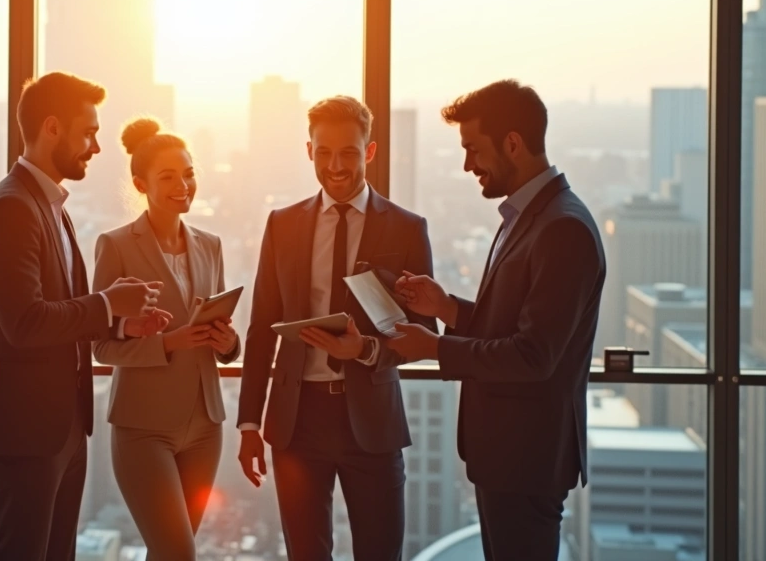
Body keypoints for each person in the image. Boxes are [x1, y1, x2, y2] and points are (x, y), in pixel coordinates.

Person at [388, 80, 605, 561]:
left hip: (525, 460)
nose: (467, 165)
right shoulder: (527, 217)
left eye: (473, 149)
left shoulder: (563, 228)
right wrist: (446, 308)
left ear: (512, 142)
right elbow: (510, 325)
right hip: (508, 457)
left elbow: (532, 356)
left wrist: (434, 348)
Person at [0, 72, 168, 560]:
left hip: (60, 428)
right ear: (53, 128)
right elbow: (25, 322)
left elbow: (58, 312)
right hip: (27, 432)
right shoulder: (12, 208)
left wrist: (120, 323)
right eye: (89, 132)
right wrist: (106, 305)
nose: (97, 147)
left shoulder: (50, 207)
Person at [236, 95, 435, 560]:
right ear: (309, 151)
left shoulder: (407, 229)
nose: (335, 165)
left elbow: (422, 333)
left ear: (370, 151)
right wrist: (249, 422)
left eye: (348, 152)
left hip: (371, 422)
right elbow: (262, 327)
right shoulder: (282, 224)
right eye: (324, 152)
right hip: (296, 422)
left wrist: (365, 351)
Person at [91, 117, 239, 560]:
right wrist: (168, 342)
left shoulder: (210, 244)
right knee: (179, 553)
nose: (184, 185)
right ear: (141, 183)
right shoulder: (115, 245)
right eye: (168, 176)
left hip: (205, 424)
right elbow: (100, 344)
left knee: (171, 552)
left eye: (189, 173)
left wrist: (226, 341)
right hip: (143, 427)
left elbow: (226, 345)